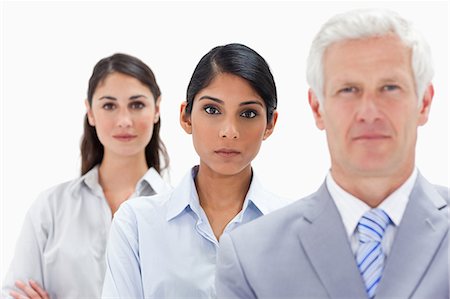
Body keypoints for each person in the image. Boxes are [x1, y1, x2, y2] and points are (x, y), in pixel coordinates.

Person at [216, 9, 449, 299]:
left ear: (424, 103)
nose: (369, 112)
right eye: (348, 89)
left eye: (390, 87)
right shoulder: (249, 256)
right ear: (317, 108)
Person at [101, 43, 289, 298]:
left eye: (248, 113)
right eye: (212, 110)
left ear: (270, 124)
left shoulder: (292, 230)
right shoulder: (136, 223)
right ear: (186, 117)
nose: (229, 131)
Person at [2, 53, 171, 299]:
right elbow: (14, 294)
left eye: (136, 105)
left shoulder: (179, 210)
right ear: (90, 112)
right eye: (109, 105)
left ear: (156, 109)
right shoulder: (51, 207)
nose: (124, 120)